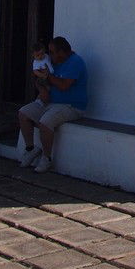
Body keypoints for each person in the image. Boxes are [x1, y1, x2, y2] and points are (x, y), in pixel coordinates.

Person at [17, 36, 87, 173]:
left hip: (71, 106)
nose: (48, 54)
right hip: (50, 102)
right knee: (23, 113)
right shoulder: (52, 61)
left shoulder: (75, 62)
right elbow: (41, 80)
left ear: (61, 52)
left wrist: (47, 76)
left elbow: (64, 86)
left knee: (45, 122)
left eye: (51, 51)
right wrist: (41, 89)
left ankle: (46, 158)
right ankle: (31, 149)